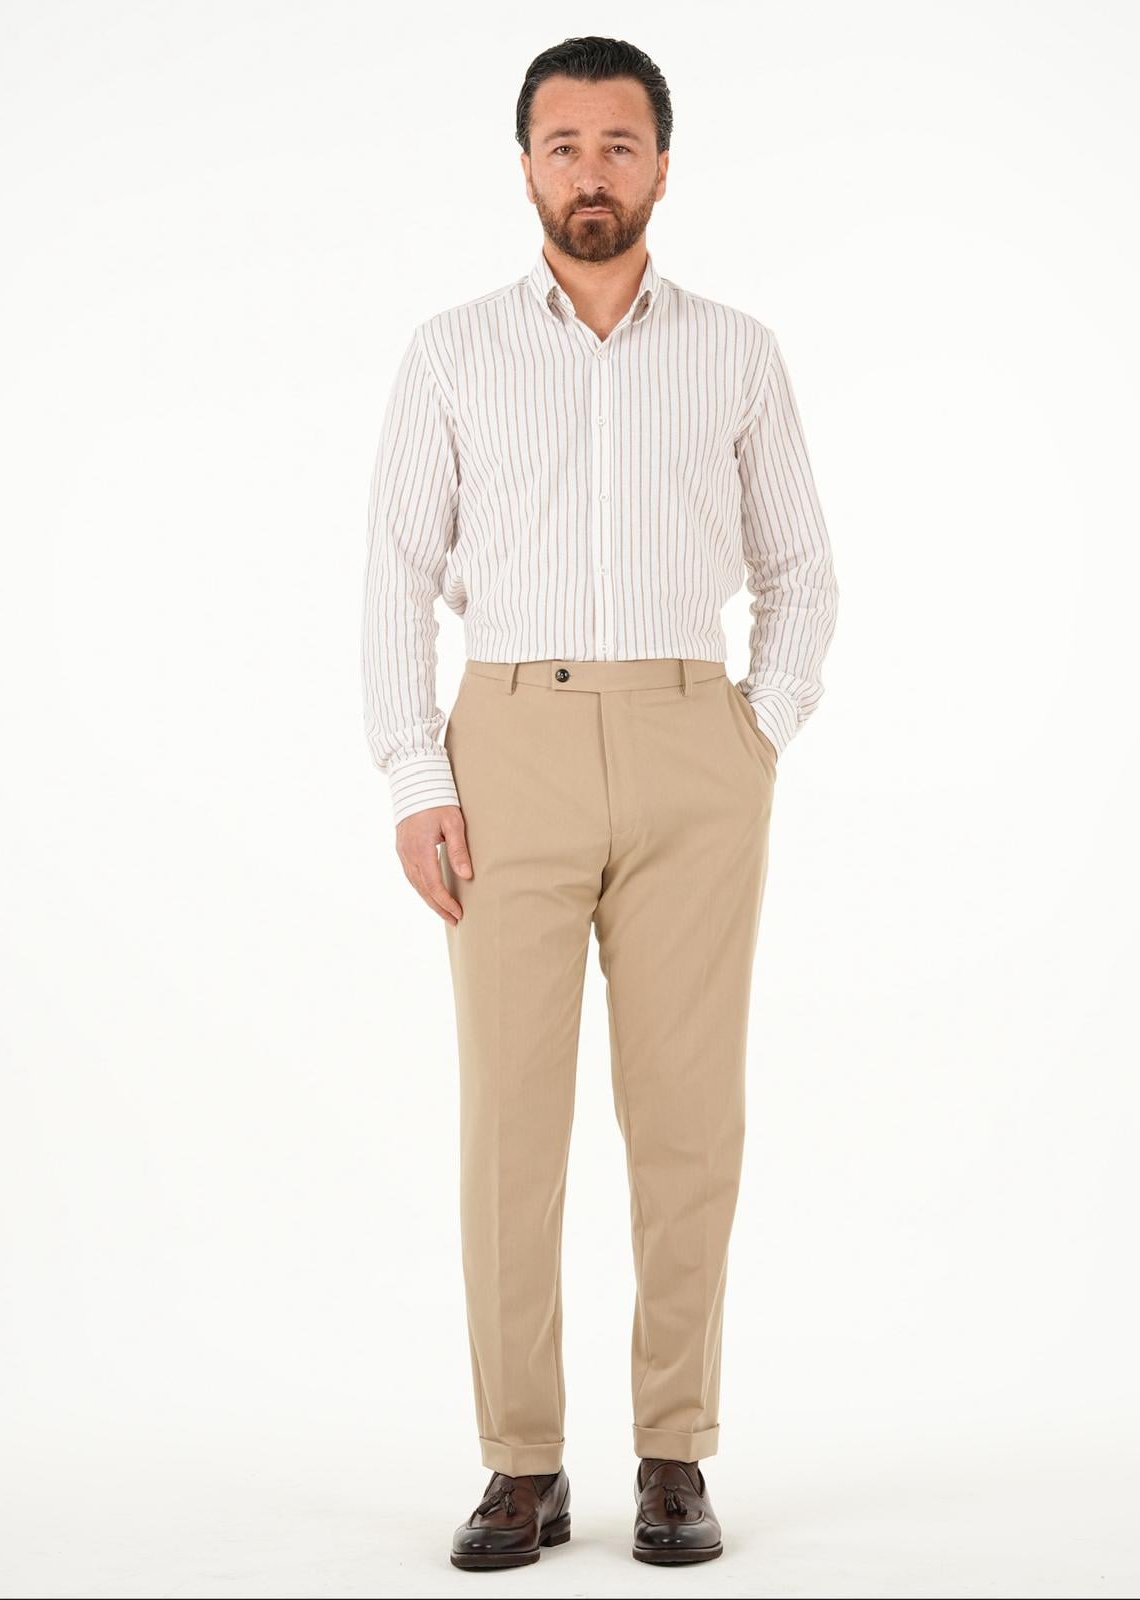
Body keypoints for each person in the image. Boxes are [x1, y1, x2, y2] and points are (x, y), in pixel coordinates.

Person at [361, 34, 839, 1571]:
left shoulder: (737, 352)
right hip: (506, 745)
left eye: (618, 145)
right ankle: (521, 1464)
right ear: (525, 166)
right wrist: (416, 775)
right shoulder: (452, 352)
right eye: (562, 144)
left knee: (688, 1121)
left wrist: (753, 735)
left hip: (697, 749)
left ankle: (673, 1454)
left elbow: (802, 571)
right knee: (511, 1122)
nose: (590, 171)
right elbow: (394, 576)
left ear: (662, 167)